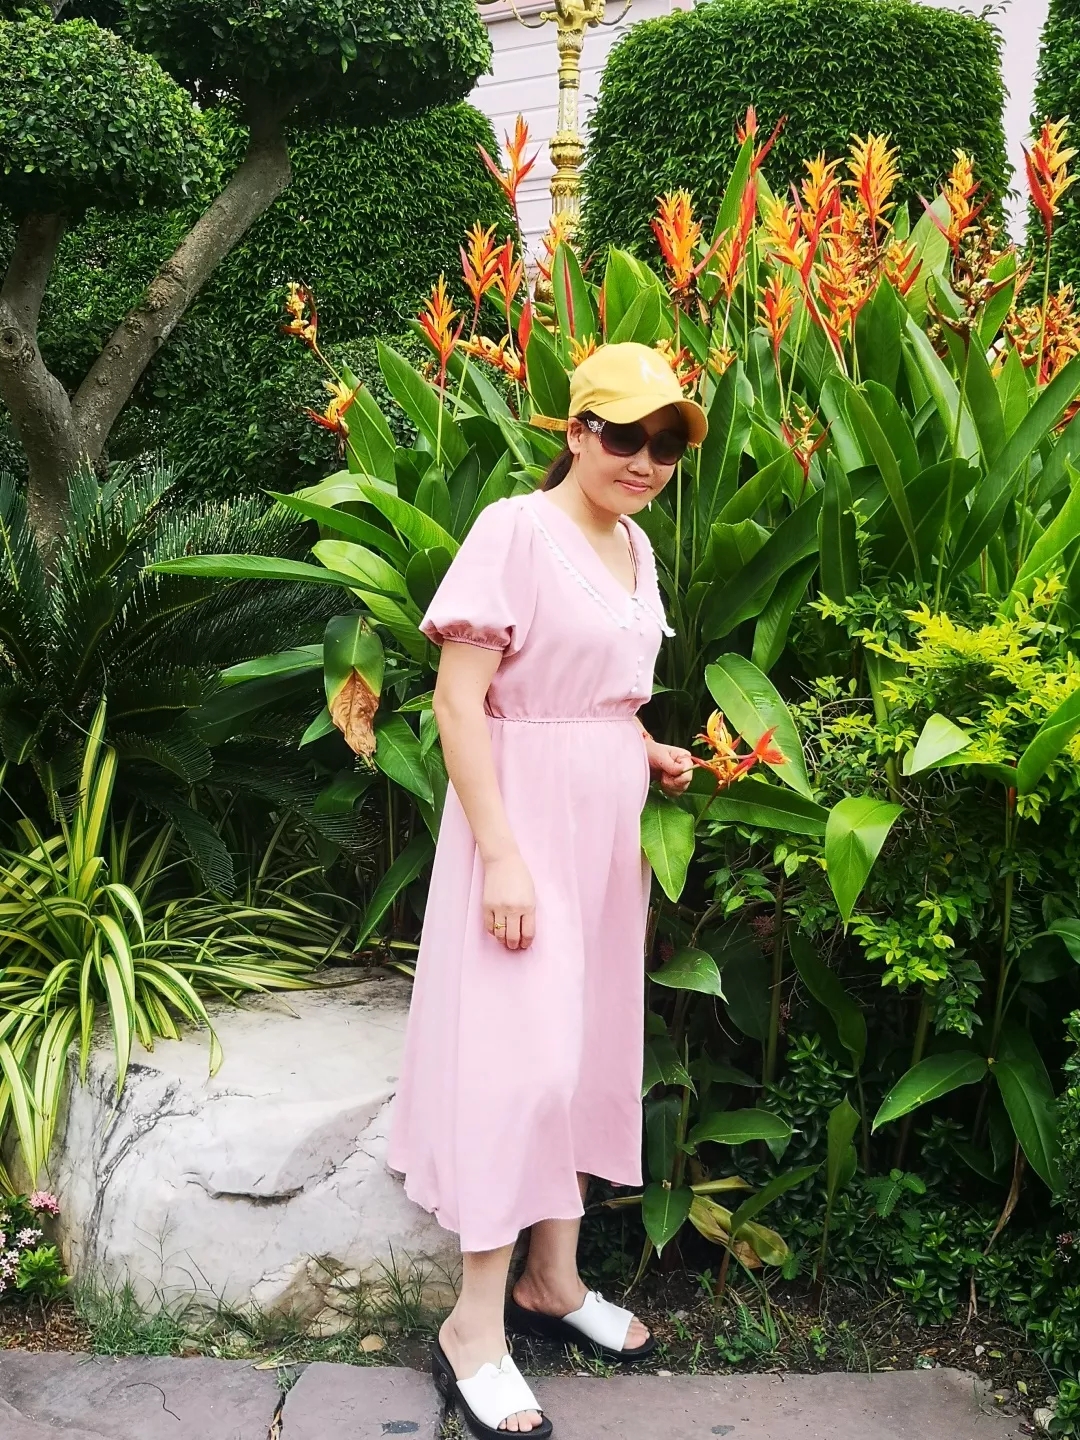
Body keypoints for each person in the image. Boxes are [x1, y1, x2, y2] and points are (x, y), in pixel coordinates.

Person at [388, 342, 707, 1439]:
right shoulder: (514, 532)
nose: (645, 460)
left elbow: (601, 692)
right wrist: (503, 855)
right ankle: (473, 1327)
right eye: (623, 435)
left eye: (664, 444)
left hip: (605, 832)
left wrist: (646, 746)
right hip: (519, 827)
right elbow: (460, 703)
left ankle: (552, 1282)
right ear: (575, 431)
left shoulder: (636, 544)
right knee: (518, 1069)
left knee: (581, 1053)